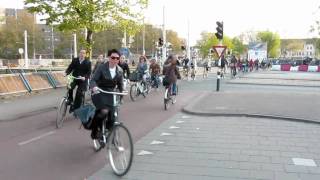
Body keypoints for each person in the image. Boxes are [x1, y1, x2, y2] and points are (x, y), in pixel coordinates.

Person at [90, 49, 124, 140]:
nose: (115, 60)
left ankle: (107, 131)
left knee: (112, 116)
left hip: (110, 94)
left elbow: (120, 85)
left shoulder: (120, 70)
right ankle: (95, 131)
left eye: (117, 58)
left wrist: (122, 94)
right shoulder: (101, 67)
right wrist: (94, 87)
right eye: (113, 57)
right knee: (104, 111)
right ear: (109, 58)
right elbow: (93, 80)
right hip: (99, 92)